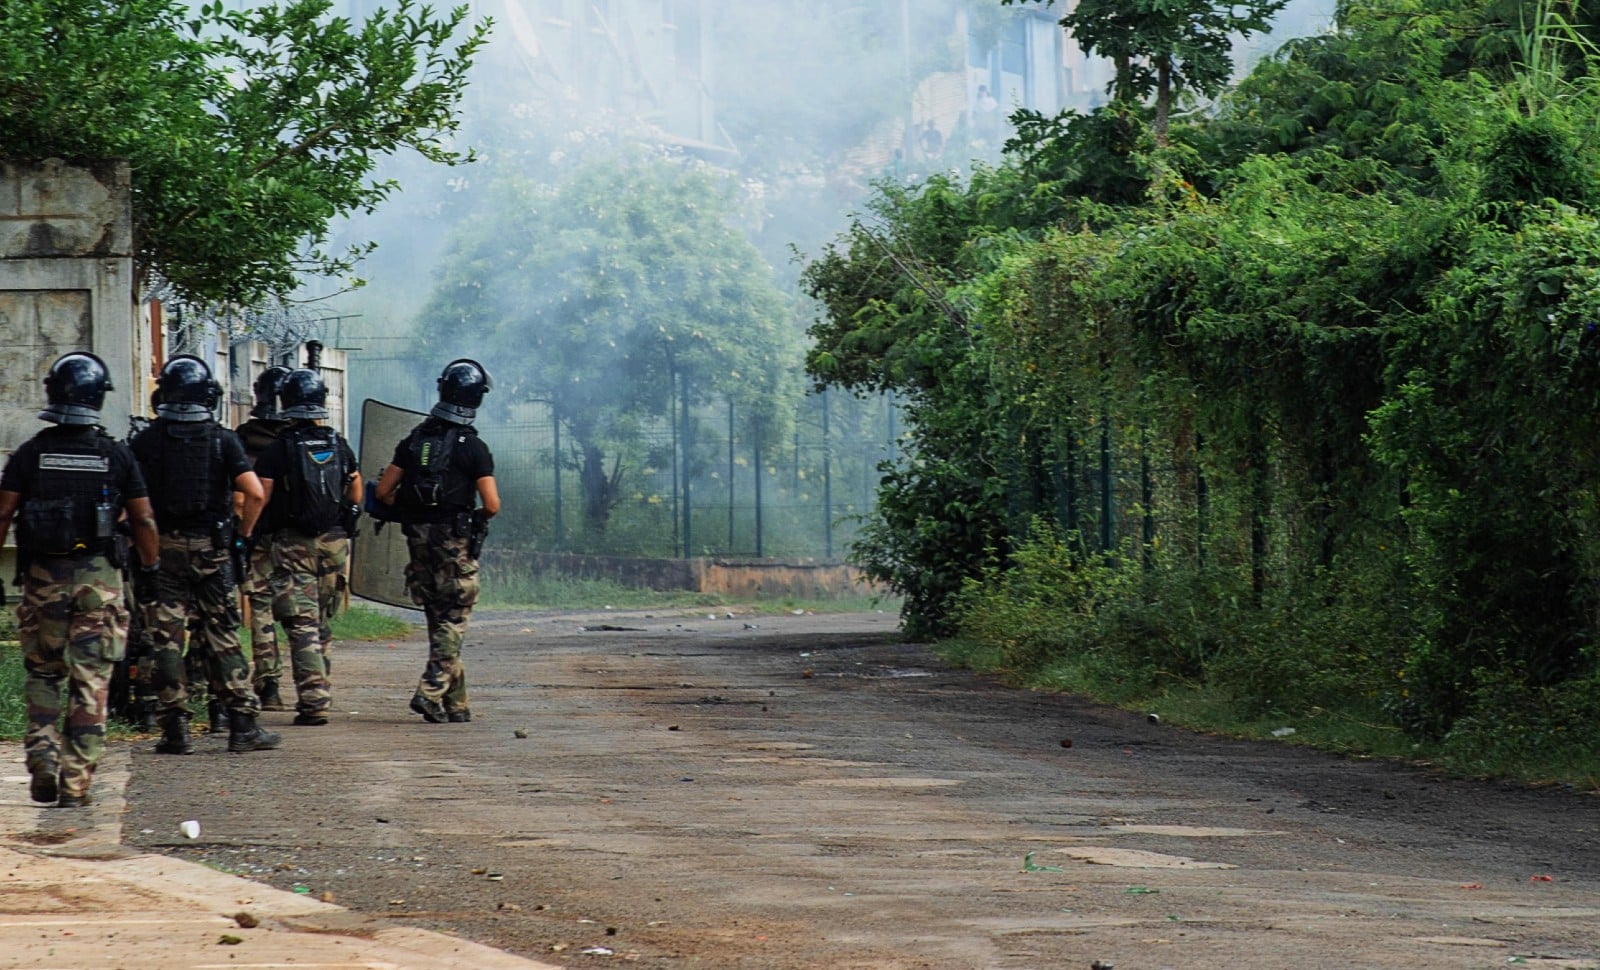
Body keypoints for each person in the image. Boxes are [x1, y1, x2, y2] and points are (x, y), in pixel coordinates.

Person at [0, 352, 160, 807]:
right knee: (91, 681)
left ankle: (44, 760)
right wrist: (149, 570)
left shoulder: (31, 454)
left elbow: (3, 512)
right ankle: (75, 783)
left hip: (42, 582)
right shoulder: (115, 454)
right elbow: (144, 520)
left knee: (43, 672)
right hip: (99, 585)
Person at [129, 354, 278, 755]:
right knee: (222, 633)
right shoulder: (222, 439)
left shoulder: (145, 441)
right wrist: (241, 536)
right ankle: (242, 724)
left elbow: (134, 504)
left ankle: (175, 727)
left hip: (162, 550)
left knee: (166, 637)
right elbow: (256, 493)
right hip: (213, 551)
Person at [373, 359, 499, 724]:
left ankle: (456, 704)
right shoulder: (474, 448)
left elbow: (383, 491)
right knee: (455, 617)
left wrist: (410, 507)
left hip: (418, 539)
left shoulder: (415, 440)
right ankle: (429, 693)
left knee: (439, 619)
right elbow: (491, 504)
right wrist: (474, 518)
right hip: (454, 541)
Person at [252, 366, 360, 726]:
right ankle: (321, 686)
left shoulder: (278, 450)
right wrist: (346, 521)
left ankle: (314, 701)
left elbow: (259, 497)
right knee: (322, 619)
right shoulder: (337, 443)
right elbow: (355, 487)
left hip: (293, 543)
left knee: (301, 622)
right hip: (333, 542)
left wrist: (247, 532)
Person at [235, 365, 290, 710]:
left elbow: (236, 493)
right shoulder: (308, 438)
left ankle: (268, 685)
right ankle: (317, 687)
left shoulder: (241, 437)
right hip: (299, 539)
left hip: (257, 534)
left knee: (261, 609)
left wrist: (243, 534)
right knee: (306, 616)